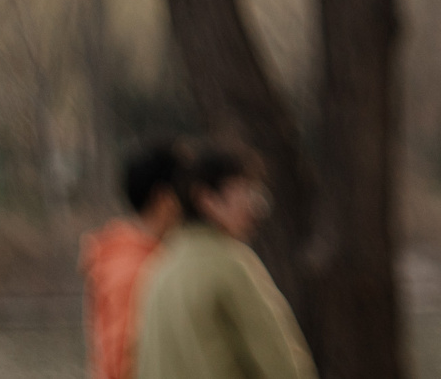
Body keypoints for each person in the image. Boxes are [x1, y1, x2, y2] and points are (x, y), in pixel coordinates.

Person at [136, 141, 315, 379]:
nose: (257, 205)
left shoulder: (159, 267)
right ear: (207, 199)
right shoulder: (231, 265)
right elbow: (279, 362)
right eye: (245, 191)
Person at [82, 138, 188, 379]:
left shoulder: (131, 253)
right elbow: (120, 361)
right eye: (188, 191)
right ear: (164, 198)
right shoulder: (132, 268)